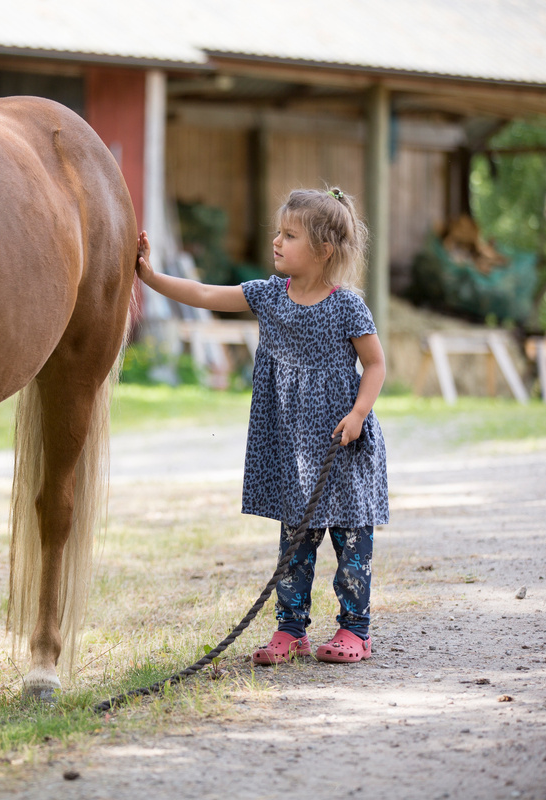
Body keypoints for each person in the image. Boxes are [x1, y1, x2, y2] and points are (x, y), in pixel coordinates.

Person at [135, 187, 388, 664]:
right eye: (279, 231)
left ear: (323, 250)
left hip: (341, 443)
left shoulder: (347, 306)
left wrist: (358, 414)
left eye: (289, 235)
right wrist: (150, 277)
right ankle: (291, 630)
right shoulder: (271, 297)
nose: (276, 241)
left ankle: (356, 629)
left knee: (352, 540)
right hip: (294, 448)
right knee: (294, 545)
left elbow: (375, 365)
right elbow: (206, 293)